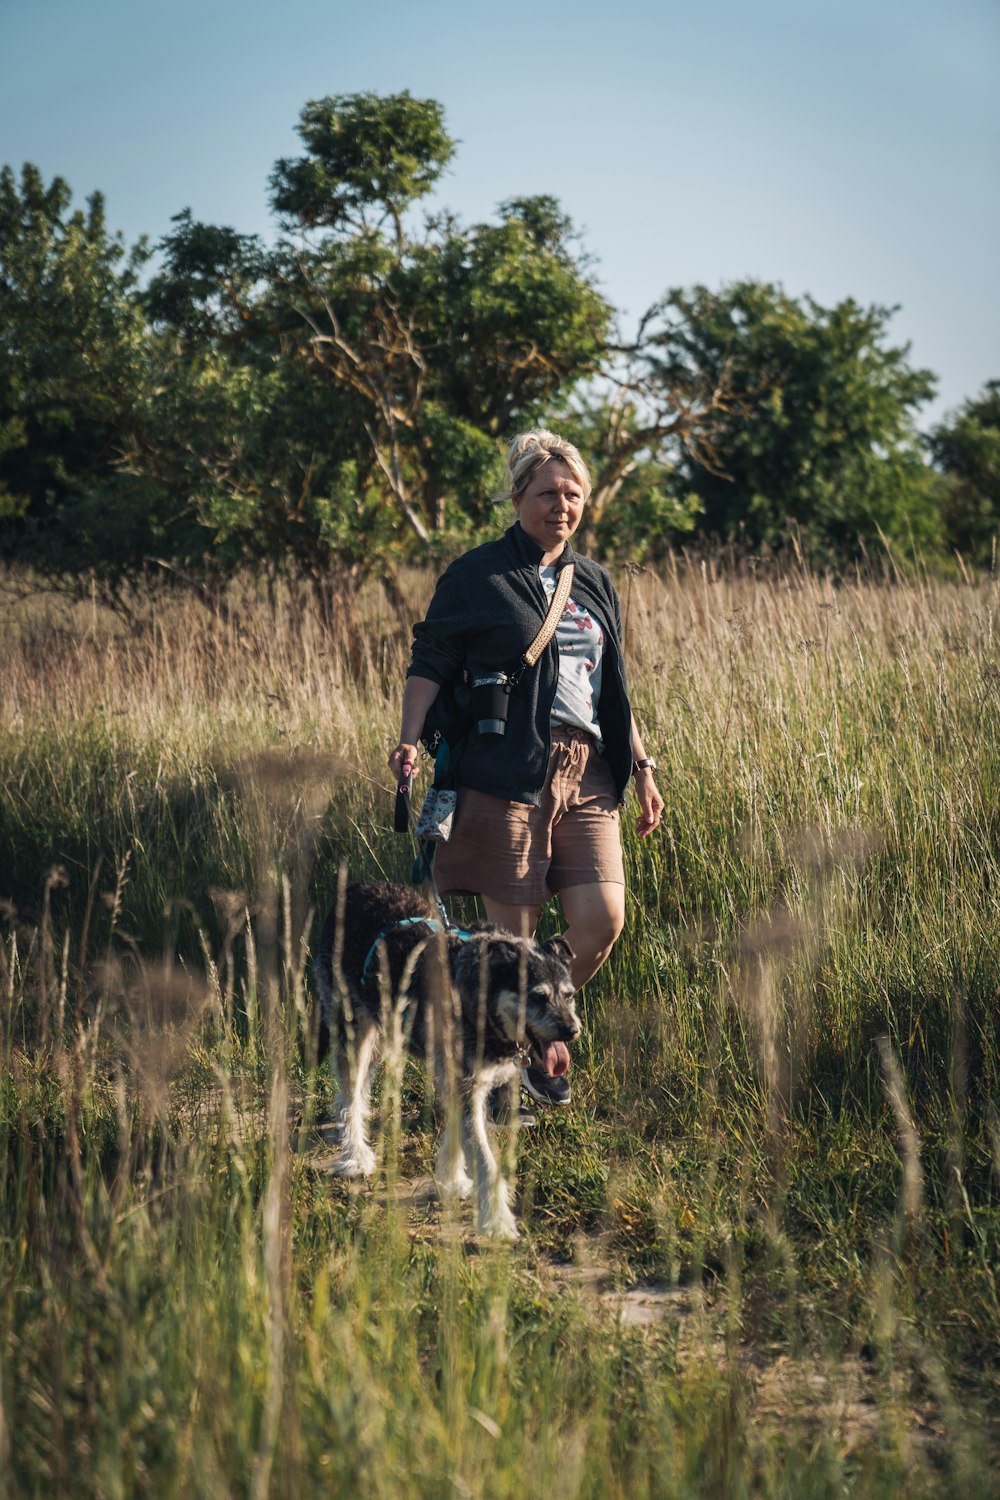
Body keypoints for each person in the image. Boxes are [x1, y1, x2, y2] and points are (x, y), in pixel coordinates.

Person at [388, 429, 663, 1106]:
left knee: (603, 917)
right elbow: (431, 660)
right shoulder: (477, 575)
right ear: (518, 498)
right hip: (507, 768)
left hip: (591, 767)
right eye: (547, 493)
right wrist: (408, 738)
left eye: (573, 494)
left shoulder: (594, 580)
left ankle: (513, 1040)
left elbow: (614, 686)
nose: (561, 506)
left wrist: (645, 765)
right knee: (511, 942)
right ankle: (508, 1081)